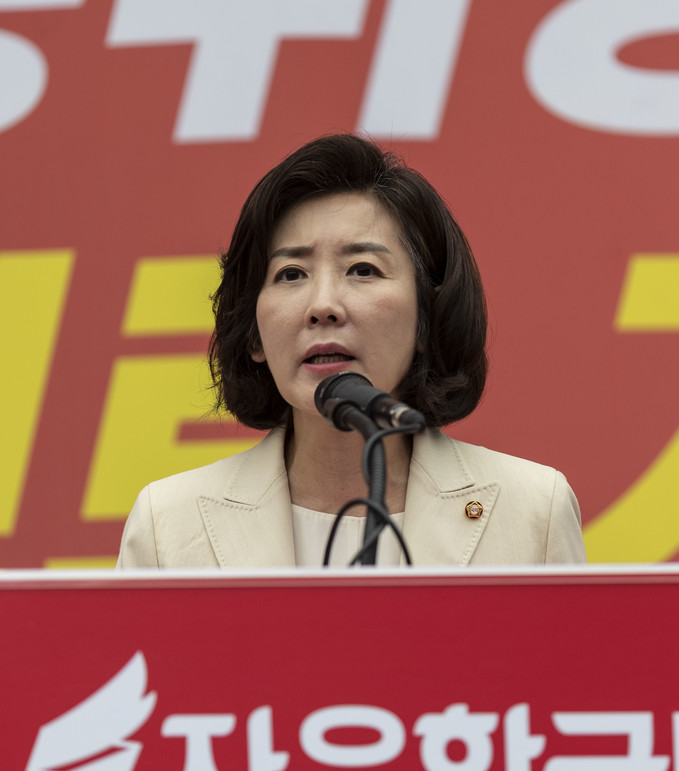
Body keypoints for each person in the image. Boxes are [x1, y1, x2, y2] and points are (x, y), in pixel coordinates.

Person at [117, 134, 585, 568]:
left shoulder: (532, 512)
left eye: (363, 269)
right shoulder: (169, 527)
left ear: (427, 317)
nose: (322, 306)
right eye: (291, 274)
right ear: (254, 334)